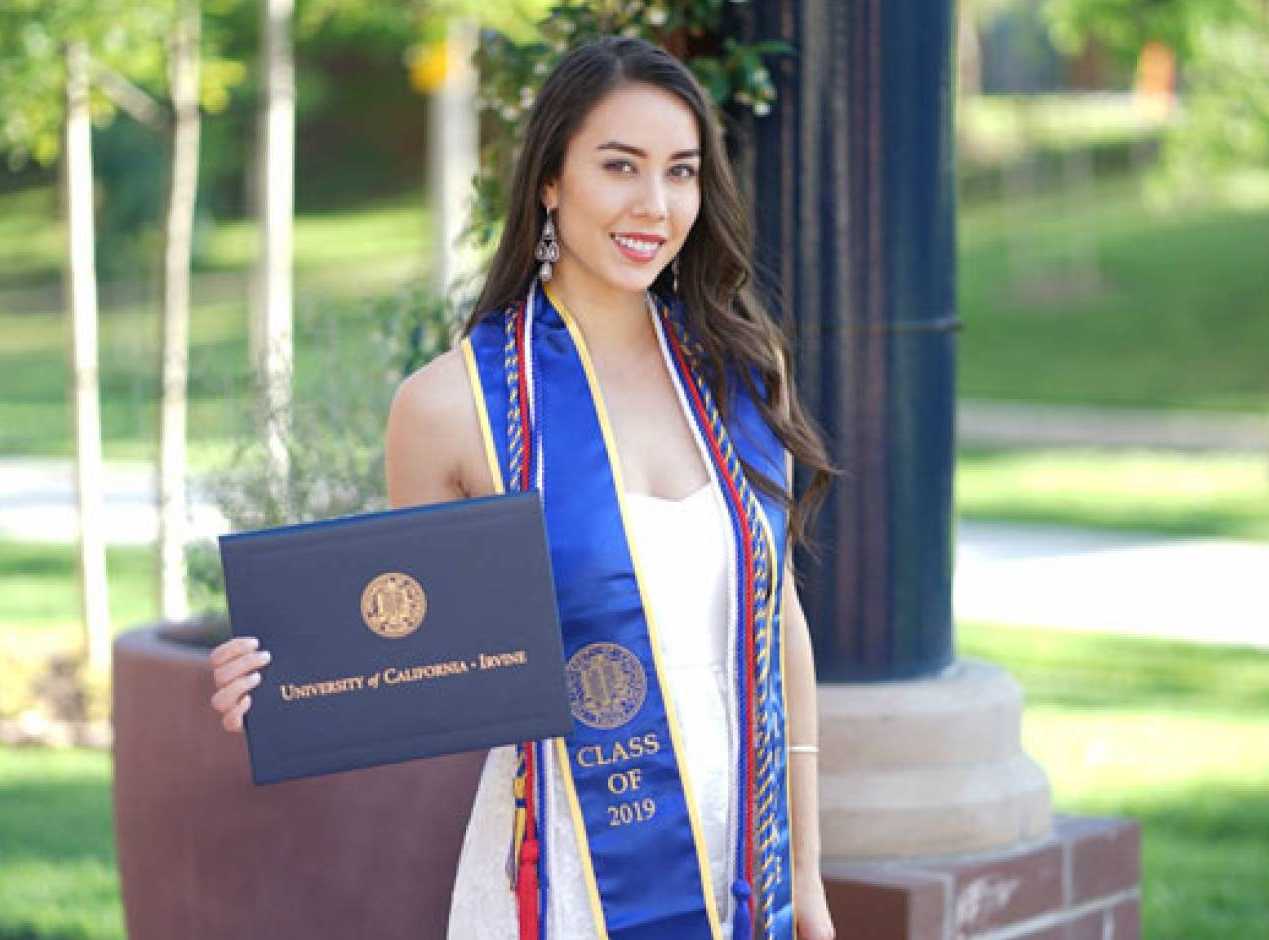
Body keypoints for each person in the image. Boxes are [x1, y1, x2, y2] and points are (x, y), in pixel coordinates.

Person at [209, 35, 837, 940]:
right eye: (619, 166)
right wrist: (280, 681)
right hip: (570, 873)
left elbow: (780, 627)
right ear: (550, 179)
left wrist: (806, 870)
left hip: (752, 859)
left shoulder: (740, 372)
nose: (654, 206)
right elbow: (409, 650)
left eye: (681, 172)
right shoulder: (453, 407)